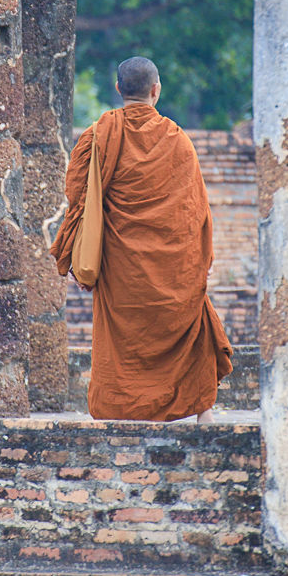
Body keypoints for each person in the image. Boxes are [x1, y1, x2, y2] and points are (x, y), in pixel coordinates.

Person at [50, 56, 233, 422]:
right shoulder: (178, 142)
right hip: (171, 269)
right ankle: (202, 411)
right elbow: (194, 214)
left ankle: (116, 408)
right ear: (156, 90)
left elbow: (78, 198)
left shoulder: (98, 136)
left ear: (118, 90)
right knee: (189, 320)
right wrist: (197, 262)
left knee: (121, 339)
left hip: (120, 268)